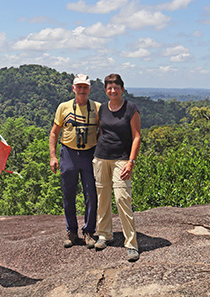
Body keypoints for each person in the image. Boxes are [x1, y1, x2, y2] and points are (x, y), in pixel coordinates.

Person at [92, 73, 141, 261]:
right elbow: (101, 131)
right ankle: (104, 235)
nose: (113, 90)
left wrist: (131, 161)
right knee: (102, 198)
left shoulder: (131, 109)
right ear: (105, 90)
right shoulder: (102, 109)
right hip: (101, 157)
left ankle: (131, 243)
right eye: (109, 88)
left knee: (122, 198)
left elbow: (137, 136)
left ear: (122, 88)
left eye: (116, 87)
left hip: (122, 159)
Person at [49, 74, 101, 249]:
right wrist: (53, 156)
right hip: (69, 154)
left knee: (91, 195)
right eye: (79, 86)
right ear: (73, 88)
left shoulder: (97, 108)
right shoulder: (64, 107)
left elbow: (104, 130)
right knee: (68, 195)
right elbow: (54, 133)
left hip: (89, 155)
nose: (82, 90)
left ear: (90, 89)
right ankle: (71, 231)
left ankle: (89, 232)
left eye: (85, 87)